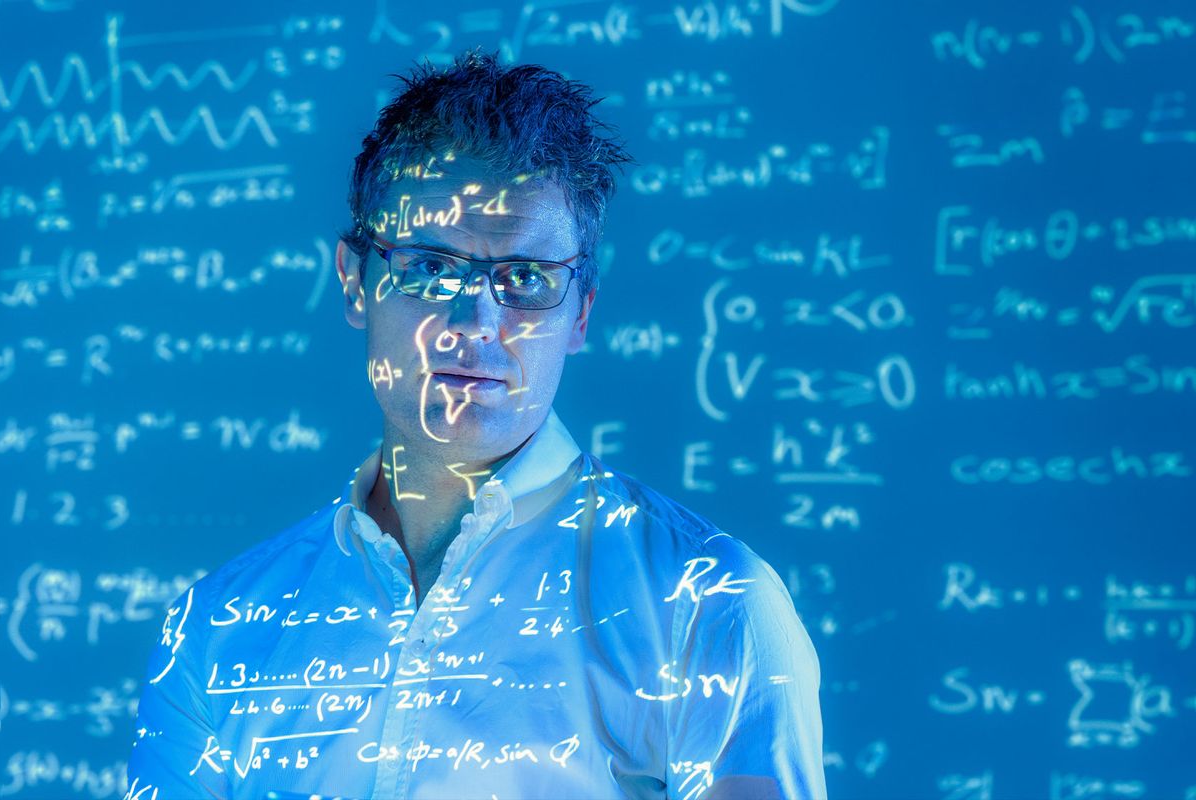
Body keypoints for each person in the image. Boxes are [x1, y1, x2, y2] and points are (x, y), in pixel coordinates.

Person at [126, 49, 826, 800]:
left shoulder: (711, 607)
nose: (474, 322)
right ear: (355, 281)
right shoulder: (212, 633)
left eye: (525, 280)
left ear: (581, 312)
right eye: (429, 267)